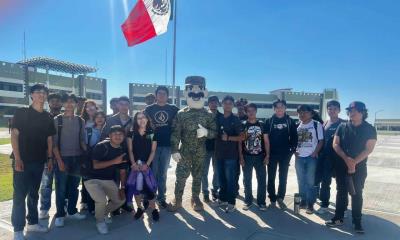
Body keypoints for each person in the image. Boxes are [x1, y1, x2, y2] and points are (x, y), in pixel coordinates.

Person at [11, 84, 56, 240]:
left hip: (39, 161)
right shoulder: (22, 112)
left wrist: (49, 158)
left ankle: (33, 223)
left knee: (33, 194)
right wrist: (17, 158)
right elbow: (14, 135)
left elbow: (49, 139)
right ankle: (18, 229)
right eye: (38, 92)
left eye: (44, 93)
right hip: (22, 160)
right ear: (31, 95)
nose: (41, 95)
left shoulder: (48, 117)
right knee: (19, 195)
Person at [167, 76, 217, 212]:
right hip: (185, 151)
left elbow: (215, 133)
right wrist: (174, 150)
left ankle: (195, 198)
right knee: (181, 177)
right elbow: (176, 133)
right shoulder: (181, 114)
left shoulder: (208, 115)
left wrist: (206, 132)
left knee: (198, 176)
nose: (195, 93)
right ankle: (177, 199)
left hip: (201, 151)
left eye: (199, 90)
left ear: (205, 92)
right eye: (191, 89)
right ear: (185, 92)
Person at [326, 101, 377, 234]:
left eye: (354, 110)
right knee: (341, 192)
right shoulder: (342, 126)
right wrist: (346, 159)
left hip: (359, 168)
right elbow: (335, 144)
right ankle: (338, 218)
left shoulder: (369, 129)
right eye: (349, 110)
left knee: (356, 193)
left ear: (362, 112)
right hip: (341, 166)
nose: (351, 113)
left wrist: (354, 162)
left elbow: (369, 148)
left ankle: (357, 221)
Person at [84, 125, 127, 234]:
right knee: (101, 200)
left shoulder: (122, 150)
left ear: (124, 136)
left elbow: (122, 171)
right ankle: (100, 221)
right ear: (110, 136)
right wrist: (114, 161)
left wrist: (122, 187)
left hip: (107, 179)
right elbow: (96, 165)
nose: (118, 136)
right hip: (91, 178)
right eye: (115, 134)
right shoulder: (101, 146)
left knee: (121, 200)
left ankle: (102, 214)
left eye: (120, 134)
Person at [53, 93, 87, 227]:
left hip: (77, 158)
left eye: (72, 102)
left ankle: (72, 211)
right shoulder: (57, 120)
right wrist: (59, 161)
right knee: (60, 188)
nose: (69, 104)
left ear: (75, 104)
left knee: (74, 187)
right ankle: (60, 214)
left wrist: (86, 153)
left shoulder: (80, 121)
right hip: (62, 158)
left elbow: (82, 140)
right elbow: (54, 143)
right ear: (63, 104)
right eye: (66, 102)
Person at [144, 86, 179, 208]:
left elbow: (180, 123)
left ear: (167, 96)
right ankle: (150, 197)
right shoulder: (149, 109)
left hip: (167, 145)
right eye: (159, 93)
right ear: (156, 95)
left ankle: (161, 198)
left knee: (163, 173)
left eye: (164, 94)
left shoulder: (173, 109)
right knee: (152, 173)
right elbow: (143, 125)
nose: (162, 95)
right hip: (152, 146)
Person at [126, 111, 159, 221]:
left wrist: (147, 165)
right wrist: (133, 164)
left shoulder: (152, 132)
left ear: (147, 119)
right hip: (135, 165)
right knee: (137, 187)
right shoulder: (132, 133)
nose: (141, 120)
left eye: (143, 117)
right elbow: (130, 150)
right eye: (138, 118)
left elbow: (153, 151)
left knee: (149, 187)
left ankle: (154, 209)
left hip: (147, 165)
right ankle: (139, 208)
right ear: (136, 120)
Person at [213, 95, 244, 213]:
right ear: (222, 105)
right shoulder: (218, 118)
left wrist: (229, 138)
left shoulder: (235, 120)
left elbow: (242, 137)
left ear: (233, 105)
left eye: (230, 103)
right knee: (221, 179)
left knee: (230, 180)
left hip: (231, 156)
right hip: (219, 154)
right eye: (225, 103)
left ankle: (231, 203)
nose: (227, 105)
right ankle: (222, 199)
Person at [265, 99, 298, 210]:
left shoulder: (290, 121)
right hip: (272, 154)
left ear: (285, 108)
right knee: (271, 177)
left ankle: (280, 198)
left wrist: (291, 151)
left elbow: (294, 137)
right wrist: (267, 154)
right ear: (274, 109)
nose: (279, 109)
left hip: (285, 154)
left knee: (283, 177)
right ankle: (272, 199)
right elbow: (265, 139)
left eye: (282, 107)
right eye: (277, 107)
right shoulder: (269, 121)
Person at [316, 100, 345, 214]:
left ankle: (343, 207)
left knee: (341, 184)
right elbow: (321, 141)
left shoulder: (344, 124)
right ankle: (324, 205)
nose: (332, 111)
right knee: (325, 182)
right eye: (330, 109)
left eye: (334, 109)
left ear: (339, 110)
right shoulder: (325, 124)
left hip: (339, 159)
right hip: (326, 158)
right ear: (327, 110)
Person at [239, 103, 269, 211]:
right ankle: (248, 201)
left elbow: (266, 141)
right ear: (246, 112)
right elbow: (240, 142)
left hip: (260, 156)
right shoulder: (243, 125)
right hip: (247, 157)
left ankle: (261, 202)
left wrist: (267, 156)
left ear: (256, 111)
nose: (251, 113)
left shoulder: (262, 124)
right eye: (249, 111)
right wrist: (241, 157)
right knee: (247, 180)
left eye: (253, 110)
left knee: (261, 180)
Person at [295, 104, 324, 214]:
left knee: (310, 182)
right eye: (300, 112)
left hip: (311, 158)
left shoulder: (317, 125)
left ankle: (310, 204)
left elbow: (321, 141)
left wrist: (315, 152)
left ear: (311, 113)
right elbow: (293, 141)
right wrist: (295, 152)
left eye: (305, 112)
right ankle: (303, 201)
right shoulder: (297, 125)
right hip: (299, 158)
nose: (302, 114)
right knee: (301, 181)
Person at [39, 92, 62, 219]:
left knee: (61, 184)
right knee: (46, 184)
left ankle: (62, 206)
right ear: (49, 103)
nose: (55, 103)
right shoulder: (44, 117)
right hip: (46, 156)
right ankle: (44, 208)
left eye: (57, 101)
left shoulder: (65, 117)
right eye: (52, 101)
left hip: (61, 156)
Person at [81, 111, 107, 214]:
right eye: (97, 117)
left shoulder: (107, 131)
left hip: (104, 161)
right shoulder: (89, 130)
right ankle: (91, 208)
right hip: (91, 161)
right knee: (91, 185)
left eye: (102, 117)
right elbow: (84, 145)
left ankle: (100, 206)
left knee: (101, 185)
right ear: (94, 119)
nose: (100, 119)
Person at [201, 95, 222, 202]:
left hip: (217, 148)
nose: (213, 104)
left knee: (216, 171)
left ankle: (215, 190)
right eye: (211, 102)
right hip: (204, 147)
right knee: (203, 171)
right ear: (208, 103)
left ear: (218, 103)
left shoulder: (221, 117)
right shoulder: (203, 115)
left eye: (215, 102)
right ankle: (205, 192)